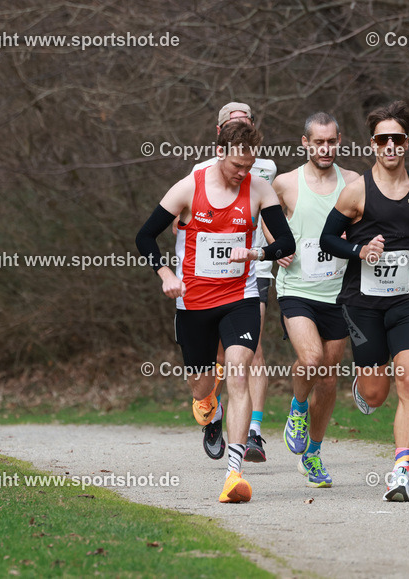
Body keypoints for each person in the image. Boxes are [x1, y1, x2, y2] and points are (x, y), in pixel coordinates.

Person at [136, 120, 295, 502]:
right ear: (220, 150)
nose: (244, 172)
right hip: (192, 303)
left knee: (239, 369)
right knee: (202, 384)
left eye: (249, 165)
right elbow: (144, 236)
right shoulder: (189, 188)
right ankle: (208, 402)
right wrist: (164, 274)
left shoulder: (258, 189)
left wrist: (255, 252)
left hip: (238, 298)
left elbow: (285, 242)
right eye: (238, 165)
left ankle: (233, 474)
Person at [320, 100, 409, 502]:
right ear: (372, 143)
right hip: (362, 302)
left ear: (407, 142)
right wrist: (359, 251)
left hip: (406, 297)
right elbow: (327, 240)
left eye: (398, 138)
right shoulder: (356, 192)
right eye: (383, 139)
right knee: (377, 394)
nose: (391, 146)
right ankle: (364, 383)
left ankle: (400, 473)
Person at [171, 103, 275, 462]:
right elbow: (179, 220)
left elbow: (270, 210)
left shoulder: (266, 169)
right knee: (212, 367)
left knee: (250, 356)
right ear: (220, 135)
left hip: (251, 273)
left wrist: (270, 249)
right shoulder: (200, 172)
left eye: (247, 123)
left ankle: (252, 435)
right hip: (202, 283)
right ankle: (211, 408)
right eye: (234, 125)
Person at [273, 112, 360, 487]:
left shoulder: (354, 182)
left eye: (331, 142)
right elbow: (264, 212)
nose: (325, 149)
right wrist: (276, 246)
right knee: (310, 359)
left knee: (328, 379)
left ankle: (313, 455)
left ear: (340, 140)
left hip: (339, 294)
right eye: (318, 142)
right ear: (305, 143)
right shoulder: (285, 184)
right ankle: (296, 410)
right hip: (296, 290)